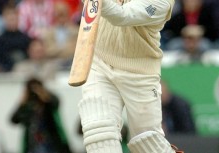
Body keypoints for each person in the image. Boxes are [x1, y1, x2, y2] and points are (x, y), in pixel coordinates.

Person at [76, 0, 183, 153]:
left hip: (139, 73)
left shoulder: (162, 3)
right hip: (99, 62)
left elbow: (122, 15)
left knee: (148, 142)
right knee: (98, 131)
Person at [10, 77, 72, 153]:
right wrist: (22, 103)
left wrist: (43, 95)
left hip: (51, 142)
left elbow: (55, 104)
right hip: (33, 144)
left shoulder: (48, 102)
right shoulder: (27, 106)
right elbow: (14, 120)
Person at [0, 4, 31, 72]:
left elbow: (30, 59)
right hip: (5, 74)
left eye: (14, 18)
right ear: (4, 19)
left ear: (18, 18)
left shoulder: (27, 39)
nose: (12, 21)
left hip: (25, 71)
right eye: (9, 19)